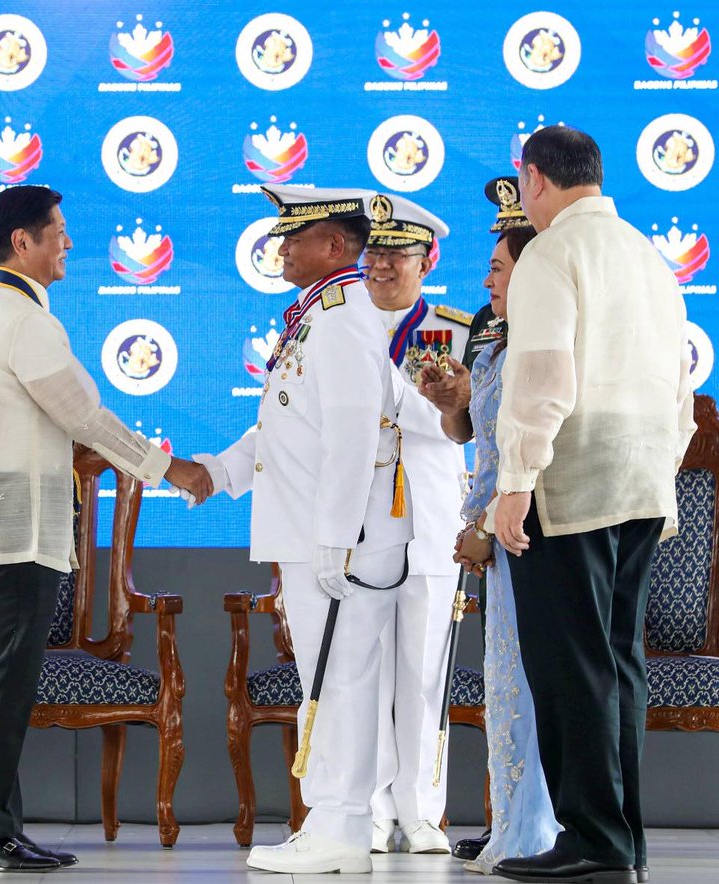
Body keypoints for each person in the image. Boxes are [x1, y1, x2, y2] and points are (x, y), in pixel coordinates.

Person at [0, 186, 212, 873]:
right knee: (5, 680)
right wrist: (172, 469)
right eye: (57, 231)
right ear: (22, 243)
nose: (68, 242)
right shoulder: (20, 319)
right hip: (15, 531)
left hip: (10, 525)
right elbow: (84, 417)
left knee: (7, 678)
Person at [488, 126, 694, 884]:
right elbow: (682, 385)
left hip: (570, 483)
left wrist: (516, 481)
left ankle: (592, 838)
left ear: (535, 180)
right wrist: (661, 467)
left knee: (570, 665)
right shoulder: (649, 256)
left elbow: (542, 377)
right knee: (617, 663)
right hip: (643, 482)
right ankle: (622, 839)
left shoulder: (551, 254)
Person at [192, 184, 413, 875]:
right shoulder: (319, 315)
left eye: (295, 237)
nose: (281, 248)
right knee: (331, 675)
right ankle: (329, 820)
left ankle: (342, 828)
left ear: (336, 245)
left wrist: (336, 538)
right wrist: (218, 473)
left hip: (341, 539)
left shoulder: (342, 319)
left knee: (342, 678)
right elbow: (289, 427)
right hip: (317, 532)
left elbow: (352, 434)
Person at [417, 176, 559, 875]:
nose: (486, 279)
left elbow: (532, 441)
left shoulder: (551, 334)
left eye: (499, 266)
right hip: (494, 530)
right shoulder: (489, 326)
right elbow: (472, 431)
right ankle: (513, 823)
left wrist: (486, 524)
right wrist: (451, 400)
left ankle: (536, 830)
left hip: (528, 527)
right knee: (506, 685)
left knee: (531, 684)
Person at [361, 193, 469, 855]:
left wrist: (382, 388)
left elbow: (456, 424)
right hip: (362, 522)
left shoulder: (455, 331)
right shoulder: (338, 325)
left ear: (426, 261)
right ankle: (373, 811)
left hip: (430, 520)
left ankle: (423, 812)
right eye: (372, 252)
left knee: (427, 673)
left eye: (396, 254)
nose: (380, 265)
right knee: (368, 675)